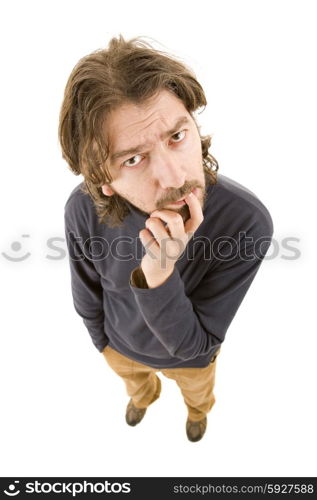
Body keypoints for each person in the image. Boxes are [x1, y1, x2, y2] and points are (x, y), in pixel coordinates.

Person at [59, 35, 273, 442]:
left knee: (199, 395)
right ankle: (143, 397)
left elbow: (196, 346)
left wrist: (158, 273)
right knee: (135, 386)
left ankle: (197, 414)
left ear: (193, 122)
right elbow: (86, 293)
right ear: (101, 179)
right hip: (119, 349)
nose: (177, 178)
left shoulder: (247, 222)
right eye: (134, 159)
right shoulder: (81, 208)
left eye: (177, 136)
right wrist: (103, 344)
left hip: (192, 362)